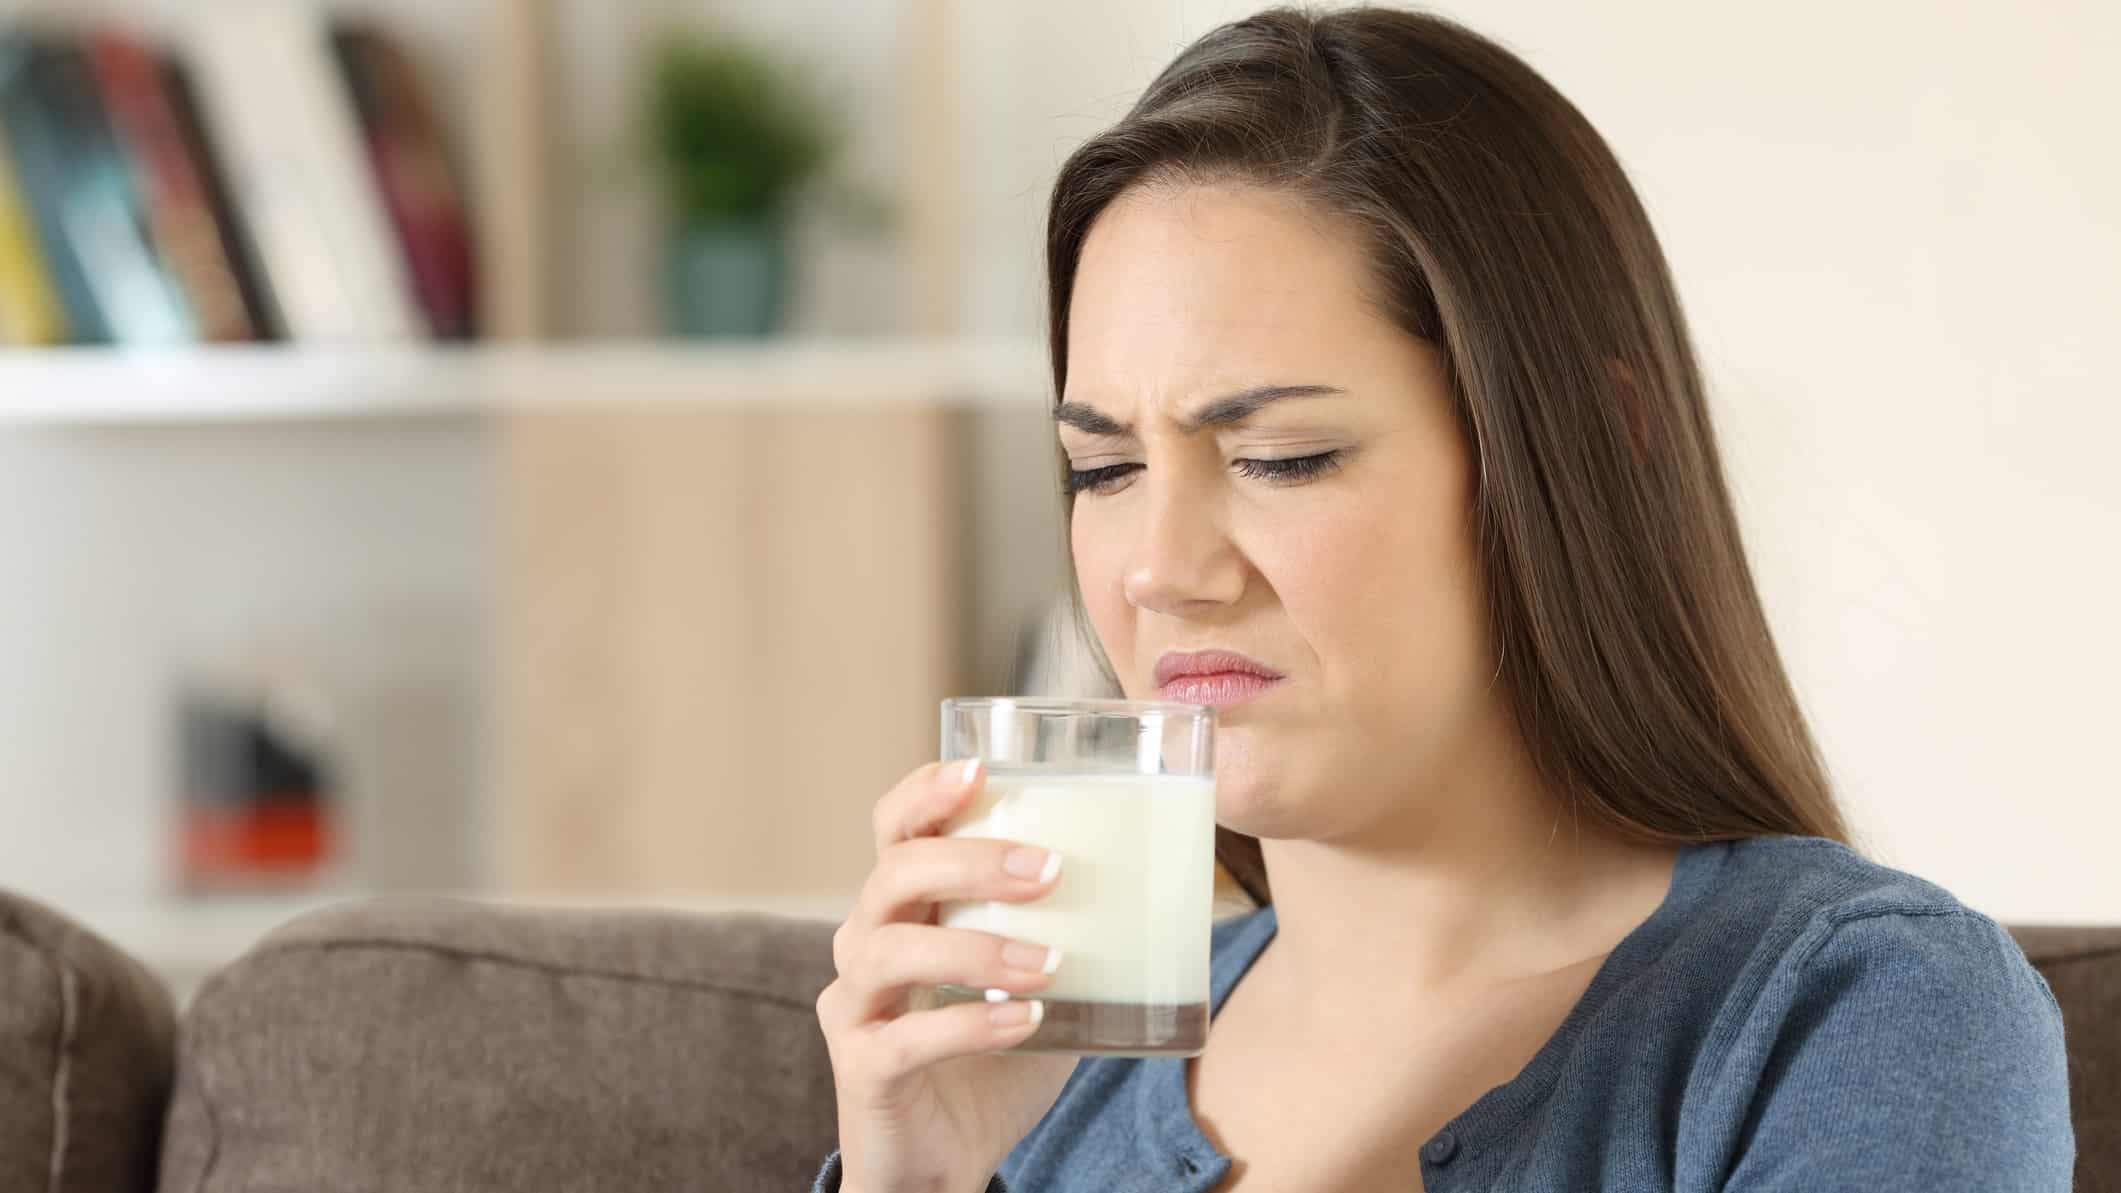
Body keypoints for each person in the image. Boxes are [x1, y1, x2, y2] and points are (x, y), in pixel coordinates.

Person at [810, 7, 2074, 1191]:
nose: (1158, 565)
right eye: (1108, 468)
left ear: (1585, 439)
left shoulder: (1858, 1010)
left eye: (1280, 457)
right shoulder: (1031, 1074)